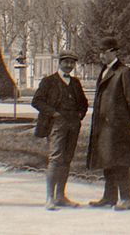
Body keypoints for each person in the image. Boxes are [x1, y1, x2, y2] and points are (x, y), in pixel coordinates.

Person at [86, 37, 130, 211]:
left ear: (113, 52)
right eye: (100, 52)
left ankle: (126, 199)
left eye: (104, 52)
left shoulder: (124, 72)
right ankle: (109, 197)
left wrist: (124, 121)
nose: (100, 55)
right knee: (107, 161)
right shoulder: (105, 71)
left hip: (117, 128)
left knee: (120, 163)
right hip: (103, 127)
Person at [31, 50, 89, 211]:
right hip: (56, 125)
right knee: (55, 158)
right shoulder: (49, 81)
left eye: (72, 63)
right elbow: (37, 101)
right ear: (60, 62)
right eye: (66, 62)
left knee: (67, 159)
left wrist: (79, 115)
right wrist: (54, 114)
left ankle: (61, 196)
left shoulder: (76, 82)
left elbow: (84, 103)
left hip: (73, 125)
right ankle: (49, 198)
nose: (69, 65)